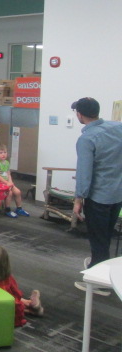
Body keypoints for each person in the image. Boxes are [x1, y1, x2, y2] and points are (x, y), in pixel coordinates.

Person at [71, 97, 122, 291]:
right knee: (106, 235)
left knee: (98, 240)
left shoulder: (87, 139)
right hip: (117, 194)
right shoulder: (118, 128)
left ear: (80, 115)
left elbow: (84, 173)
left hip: (98, 197)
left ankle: (100, 284)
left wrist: (78, 200)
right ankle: (98, 266)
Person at [0, 245, 43, 327]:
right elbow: (17, 294)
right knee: (16, 302)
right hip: (5, 312)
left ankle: (31, 305)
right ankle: (33, 307)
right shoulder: (6, 279)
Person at [0, 144, 29, 219]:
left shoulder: (7, 162)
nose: (3, 154)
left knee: (18, 192)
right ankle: (7, 210)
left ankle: (19, 208)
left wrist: (10, 182)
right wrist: (6, 183)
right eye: (1, 153)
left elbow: (8, 174)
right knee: (9, 193)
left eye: (5, 152)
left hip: (7, 182)